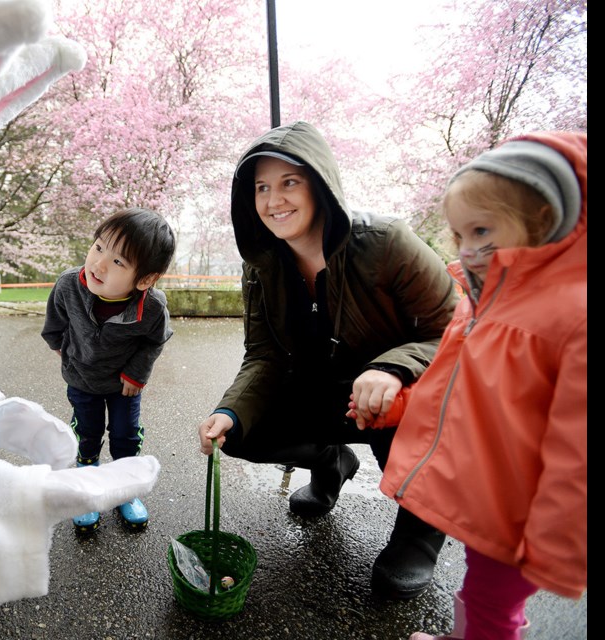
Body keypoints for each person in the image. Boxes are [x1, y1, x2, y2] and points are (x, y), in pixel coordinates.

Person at [196, 120, 459, 600]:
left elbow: (457, 329)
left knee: (401, 418)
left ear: (320, 183)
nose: (274, 200)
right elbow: (265, 355)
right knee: (241, 433)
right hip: (322, 394)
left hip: (397, 398)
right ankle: (330, 463)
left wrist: (393, 368)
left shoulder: (385, 242)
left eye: (289, 182)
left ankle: (419, 532)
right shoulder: (261, 266)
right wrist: (229, 410)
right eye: (261, 188)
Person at [367, 132, 586, 640]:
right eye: (459, 235)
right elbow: (454, 387)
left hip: (520, 509)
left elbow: (578, 449)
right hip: (488, 490)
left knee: (492, 601)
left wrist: (557, 547)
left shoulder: (570, 317)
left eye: (482, 229)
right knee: (482, 593)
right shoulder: (480, 304)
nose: (467, 249)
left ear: (545, 220)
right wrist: (398, 405)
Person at [42, 207, 176, 533]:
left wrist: (136, 374)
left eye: (118, 262)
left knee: (125, 435)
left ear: (145, 279)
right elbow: (55, 324)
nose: (99, 264)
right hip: (82, 380)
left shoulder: (152, 306)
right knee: (86, 433)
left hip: (122, 386)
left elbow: (154, 341)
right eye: (99, 247)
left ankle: (125, 487)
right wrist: (63, 349)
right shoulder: (69, 286)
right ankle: (88, 487)